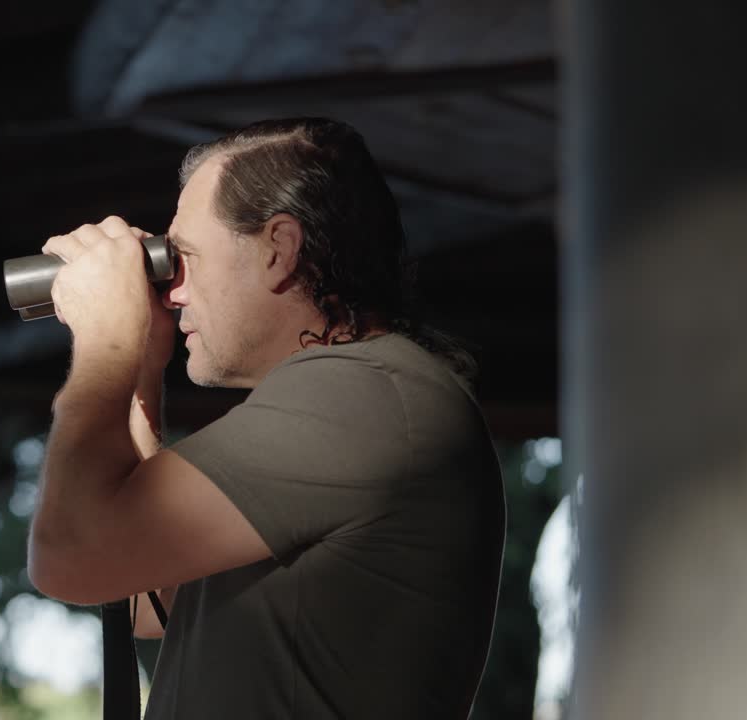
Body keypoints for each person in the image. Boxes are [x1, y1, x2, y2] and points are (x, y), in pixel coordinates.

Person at [27, 116, 506, 719]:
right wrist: (142, 368)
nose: (171, 292)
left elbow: (69, 557)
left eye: (187, 256)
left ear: (279, 249)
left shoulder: (360, 398)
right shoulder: (361, 402)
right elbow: (142, 594)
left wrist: (105, 344)